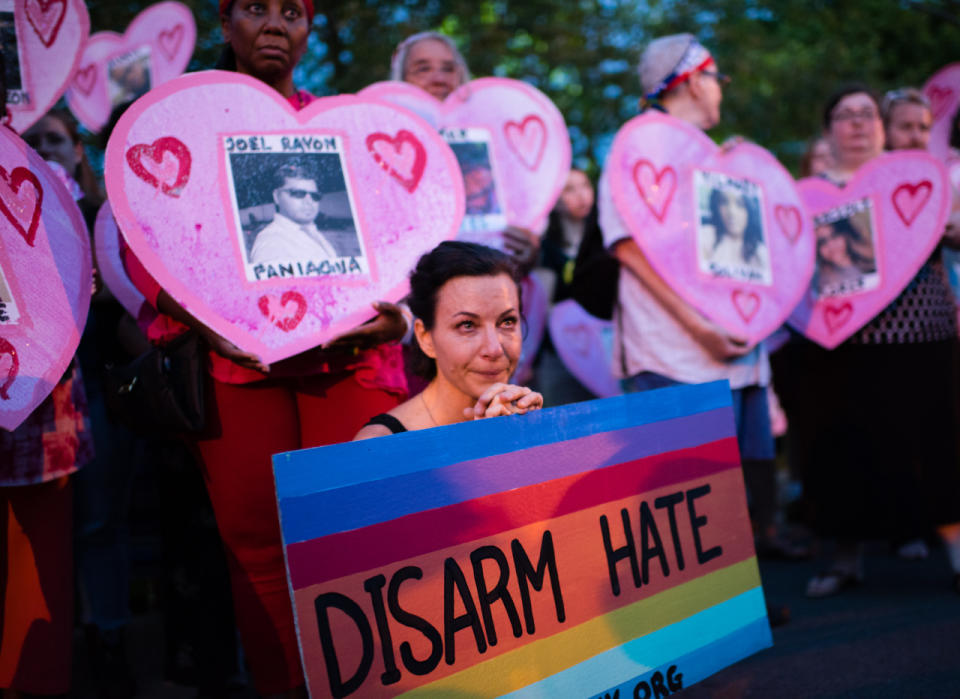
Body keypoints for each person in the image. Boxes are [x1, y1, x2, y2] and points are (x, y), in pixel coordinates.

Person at [121, 1, 408, 695]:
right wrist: (197, 318)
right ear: (225, 25)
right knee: (257, 549)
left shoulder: (347, 130)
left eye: (293, 12)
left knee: (365, 533)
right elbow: (140, 244)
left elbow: (400, 235)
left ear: (309, 30)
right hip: (236, 368)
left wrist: (398, 315)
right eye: (256, 8)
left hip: (346, 364)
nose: (276, 25)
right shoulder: (177, 125)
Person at [598, 34, 801, 574]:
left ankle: (739, 604)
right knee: (688, 491)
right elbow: (627, 247)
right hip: (674, 353)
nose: (721, 90)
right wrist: (698, 325)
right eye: (717, 78)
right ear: (691, 78)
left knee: (744, 480)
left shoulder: (724, 158)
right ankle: (698, 619)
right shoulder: (637, 144)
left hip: (739, 351)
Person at [785, 85, 960, 597]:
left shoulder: (922, 179)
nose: (858, 124)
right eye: (845, 115)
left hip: (919, 334)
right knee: (840, 447)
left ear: (882, 127)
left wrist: (949, 230)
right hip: (836, 342)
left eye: (867, 115)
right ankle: (845, 558)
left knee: (936, 440)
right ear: (827, 130)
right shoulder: (802, 197)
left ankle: (955, 550)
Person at [355, 241, 542, 438]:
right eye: (467, 325)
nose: (494, 349)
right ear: (425, 337)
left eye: (507, 322)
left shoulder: (527, 422)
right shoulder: (382, 442)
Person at [249, 162, 339, 264]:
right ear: (276, 196)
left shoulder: (312, 232)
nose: (309, 202)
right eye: (298, 193)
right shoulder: (272, 242)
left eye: (315, 196)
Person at [699, 184, 769, 281]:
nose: (731, 212)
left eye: (740, 204)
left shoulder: (761, 252)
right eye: (724, 202)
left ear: (751, 209)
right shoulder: (706, 236)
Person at [813, 217, 877, 296]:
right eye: (822, 242)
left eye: (834, 235)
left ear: (845, 235)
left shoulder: (874, 260)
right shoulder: (822, 283)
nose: (831, 245)